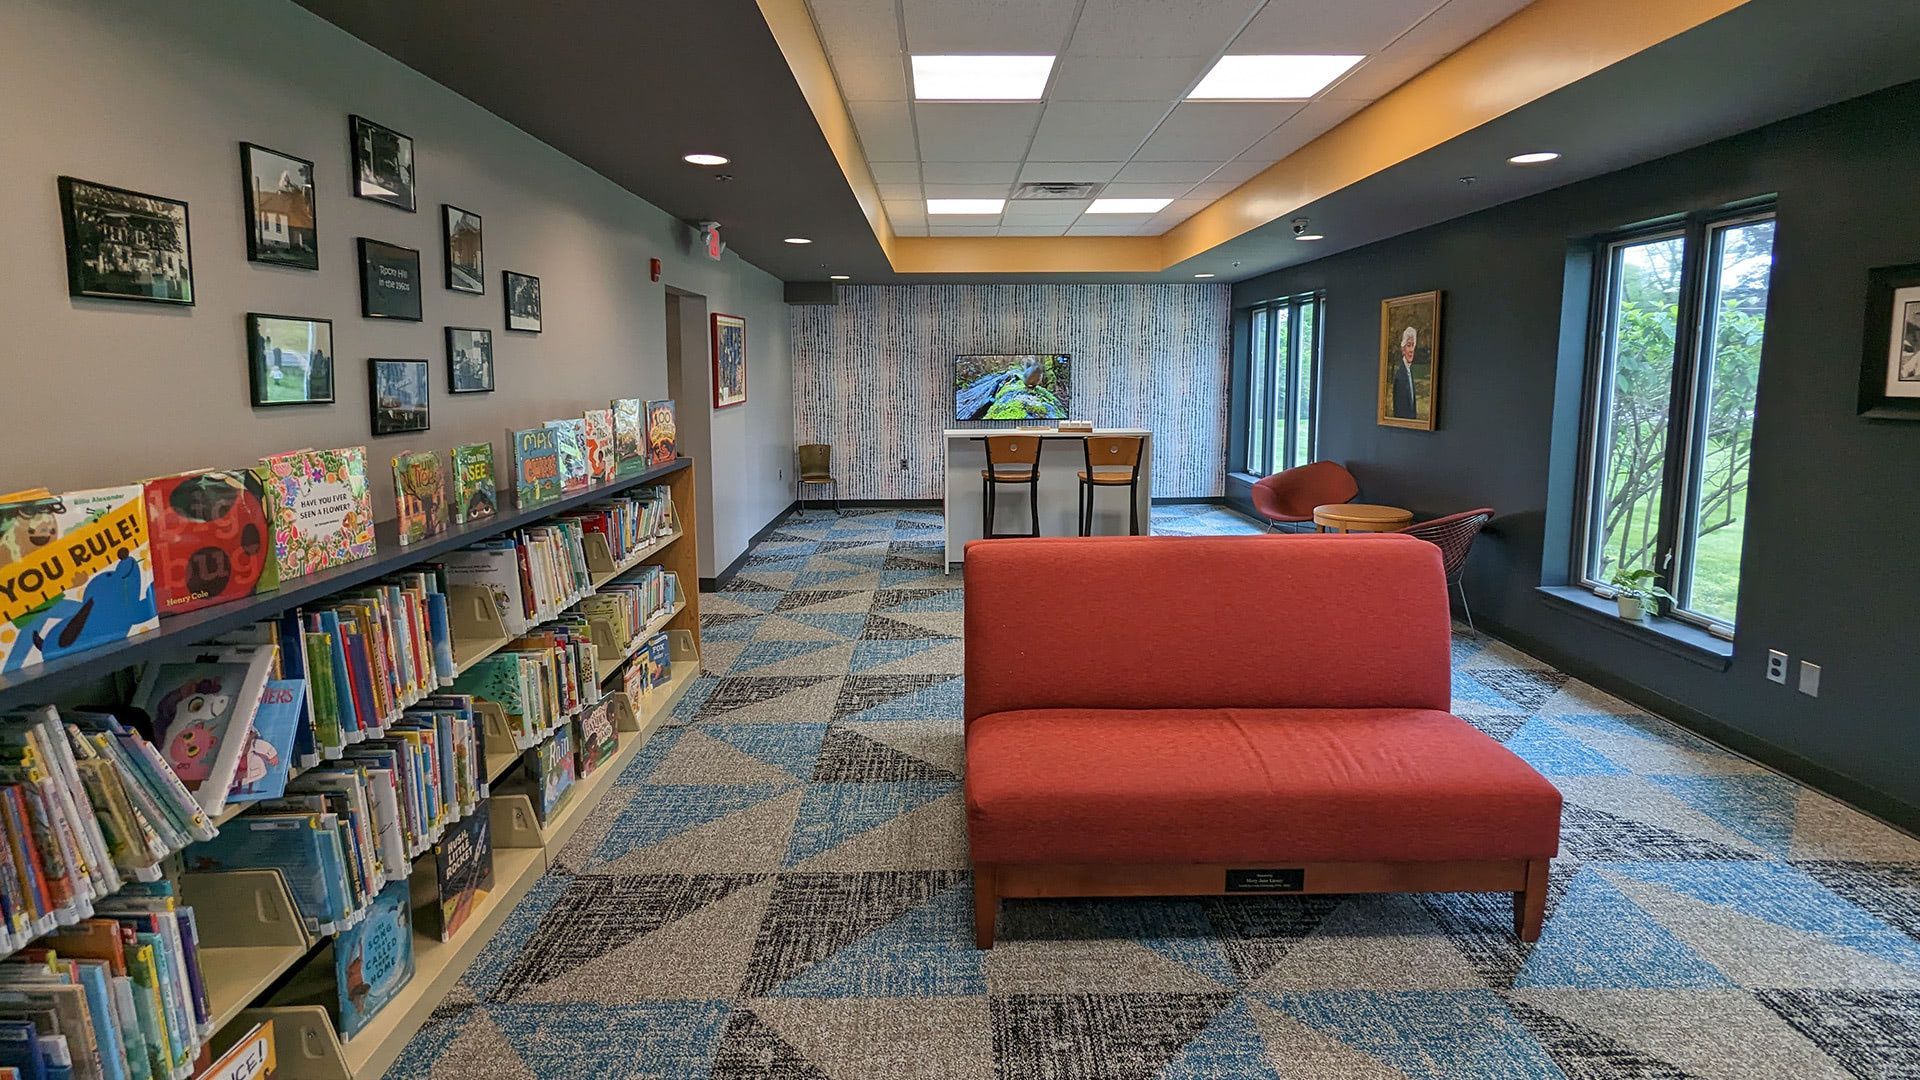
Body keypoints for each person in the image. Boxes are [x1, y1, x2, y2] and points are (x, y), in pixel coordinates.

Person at [1389, 325, 1425, 420]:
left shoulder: (1410, 371)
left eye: (1413, 345)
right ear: (1403, 349)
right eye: (1409, 345)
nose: (1411, 350)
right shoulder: (1399, 376)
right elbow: (1398, 410)